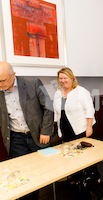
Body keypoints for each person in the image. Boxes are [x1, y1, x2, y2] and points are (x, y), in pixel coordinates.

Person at [0, 61, 53, 200]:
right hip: (16, 138)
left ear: (13, 75)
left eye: (3, 80)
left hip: (38, 134)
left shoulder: (33, 83)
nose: (0, 84)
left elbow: (49, 107)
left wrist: (46, 131)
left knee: (41, 170)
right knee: (23, 172)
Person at [53, 67, 96, 141]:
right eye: (60, 78)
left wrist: (89, 128)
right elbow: (56, 112)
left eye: (65, 78)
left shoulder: (81, 91)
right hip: (65, 131)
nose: (63, 81)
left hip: (81, 130)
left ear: (72, 79)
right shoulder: (58, 93)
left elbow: (90, 110)